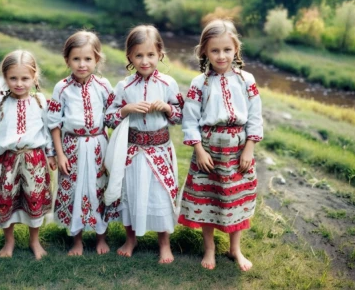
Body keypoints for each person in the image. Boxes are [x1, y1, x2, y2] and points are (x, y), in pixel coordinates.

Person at [178, 19, 263, 271]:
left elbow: (255, 117)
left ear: (236, 48)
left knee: (235, 199)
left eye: (227, 49)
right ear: (204, 51)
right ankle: (210, 249)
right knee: (209, 199)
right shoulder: (199, 83)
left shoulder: (246, 80)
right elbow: (190, 120)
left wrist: (249, 147)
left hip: (238, 150)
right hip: (209, 150)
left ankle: (235, 249)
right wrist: (199, 149)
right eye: (215, 50)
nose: (221, 55)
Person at [104, 25, 184, 264]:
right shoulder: (124, 87)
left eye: (150, 55)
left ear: (160, 53)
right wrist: (127, 109)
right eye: (139, 55)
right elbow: (109, 118)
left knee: (160, 196)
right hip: (133, 152)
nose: (145, 60)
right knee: (131, 195)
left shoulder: (168, 84)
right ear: (129, 56)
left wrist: (168, 108)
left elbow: (180, 116)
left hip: (160, 150)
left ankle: (164, 244)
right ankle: (131, 239)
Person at [0, 50, 57, 259]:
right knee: (7, 200)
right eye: (13, 78)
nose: (19, 83)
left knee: (34, 199)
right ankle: (9, 241)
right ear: (5, 78)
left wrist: (51, 154)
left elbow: (47, 130)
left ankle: (34, 241)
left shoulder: (40, 102)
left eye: (25, 78)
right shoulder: (0, 104)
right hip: (7, 161)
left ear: (34, 77)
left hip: (35, 161)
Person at [47, 30, 115, 256]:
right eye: (76, 59)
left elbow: (113, 117)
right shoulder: (62, 88)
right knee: (74, 190)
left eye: (88, 59)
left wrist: (112, 151)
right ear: (67, 60)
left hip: (98, 145)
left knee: (99, 188)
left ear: (97, 59)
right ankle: (76, 239)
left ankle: (100, 237)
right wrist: (60, 154)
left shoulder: (104, 86)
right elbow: (54, 124)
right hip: (71, 147)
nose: (82, 64)